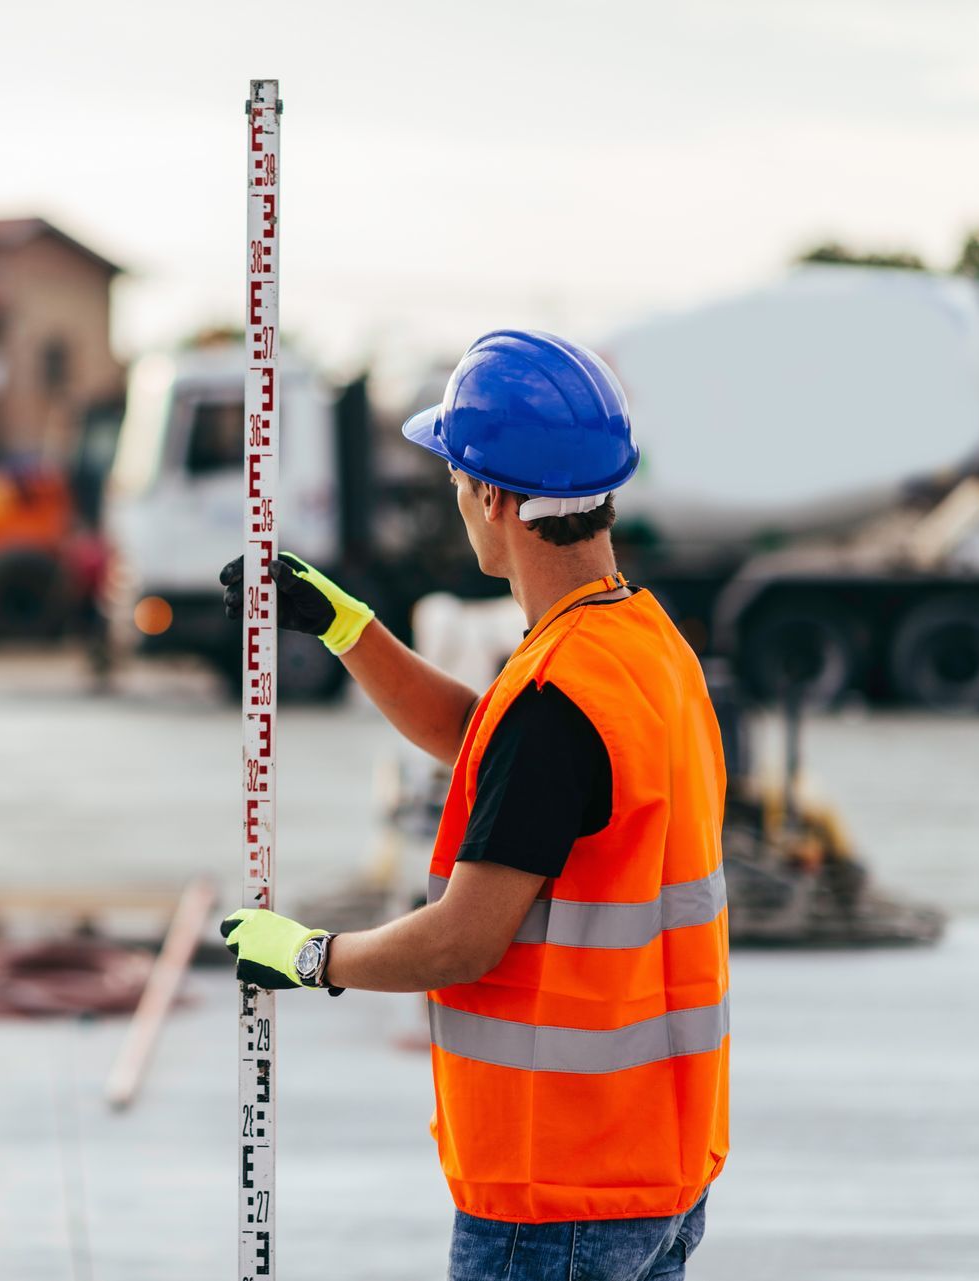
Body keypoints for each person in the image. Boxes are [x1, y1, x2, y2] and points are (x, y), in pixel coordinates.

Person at [219, 330, 728, 1280]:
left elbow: (464, 940)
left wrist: (310, 957)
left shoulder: (557, 699)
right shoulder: (642, 650)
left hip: (556, 1193)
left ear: (493, 497)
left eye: (457, 481)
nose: (457, 501)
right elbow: (489, 748)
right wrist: (347, 625)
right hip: (656, 1168)